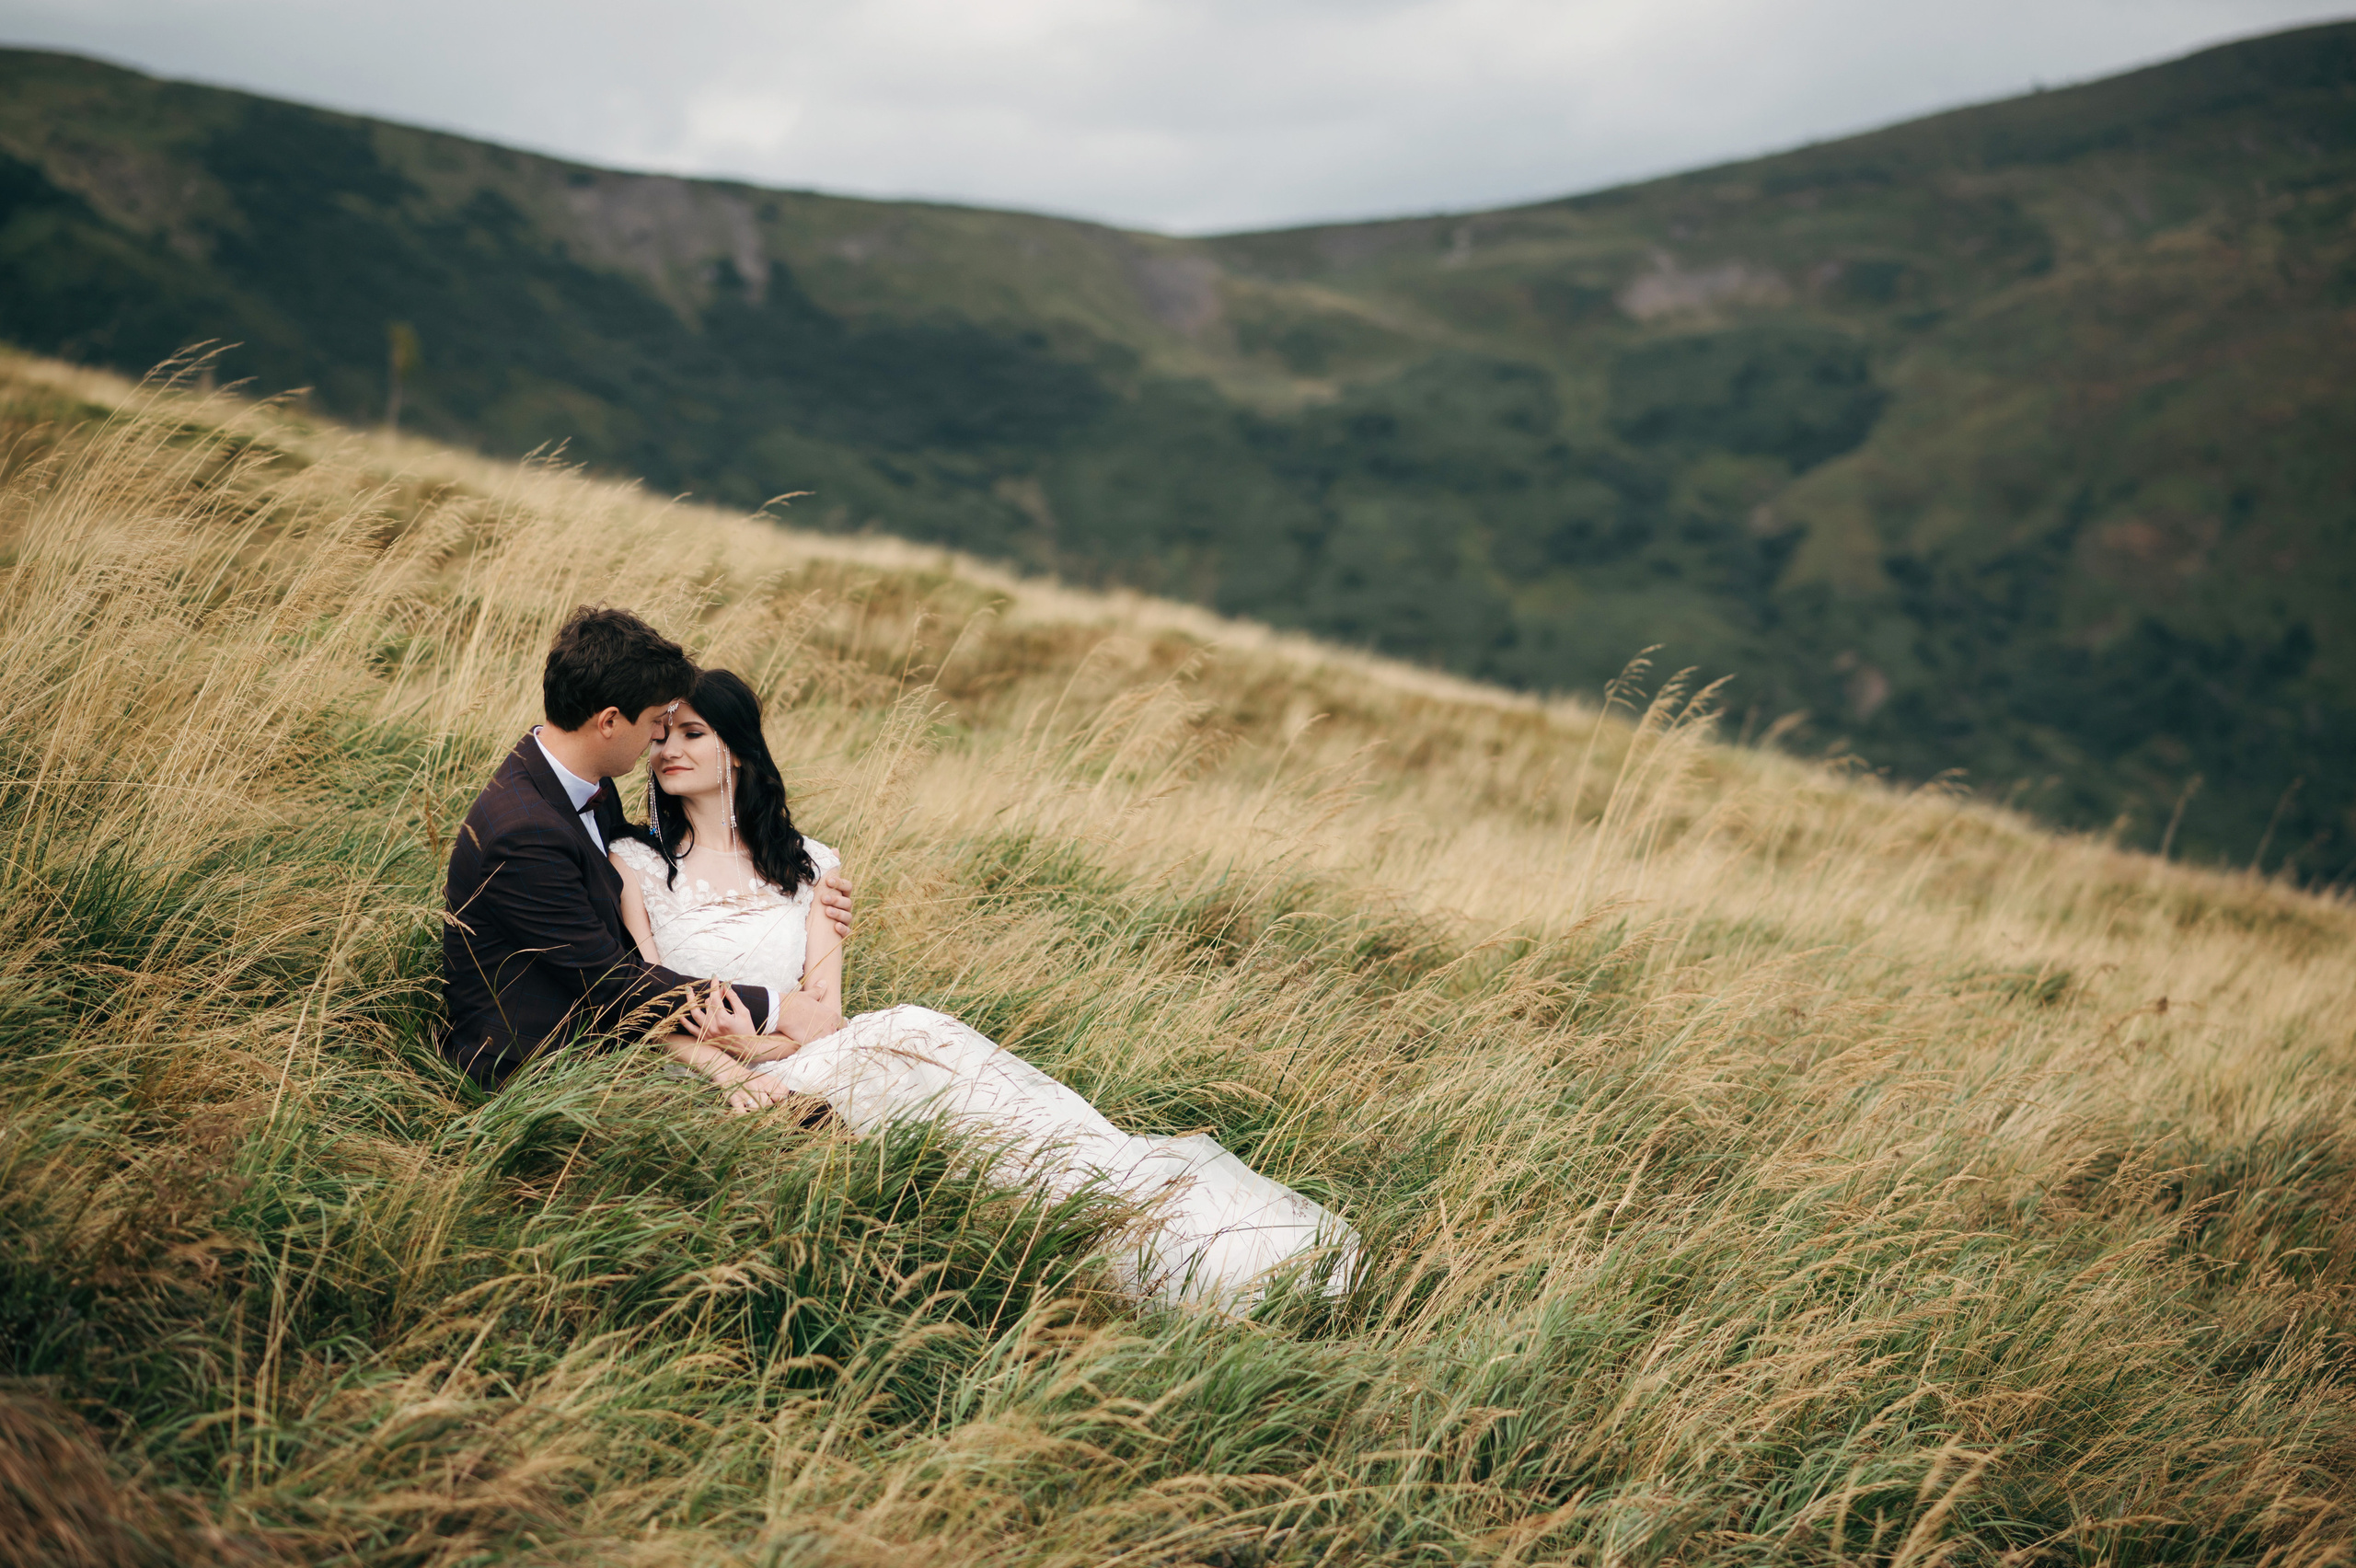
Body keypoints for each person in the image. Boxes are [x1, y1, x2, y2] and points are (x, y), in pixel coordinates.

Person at [607, 666, 1361, 1310]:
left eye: (693, 732)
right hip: (737, 1080)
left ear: (737, 748)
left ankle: (1146, 1224)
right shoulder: (635, 866)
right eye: (661, 735)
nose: (669, 749)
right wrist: (737, 1061)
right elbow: (639, 999)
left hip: (821, 1048)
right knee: (905, 1073)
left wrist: (756, 1039)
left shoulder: (811, 865)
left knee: (950, 1068)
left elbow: (827, 1012)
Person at [440, 606, 855, 1090]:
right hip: (535, 1073)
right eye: (659, 722)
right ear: (611, 721)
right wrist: (779, 1010)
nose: (660, 741)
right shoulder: (525, 832)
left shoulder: (586, 788)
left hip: (643, 1048)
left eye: (688, 731)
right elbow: (612, 981)